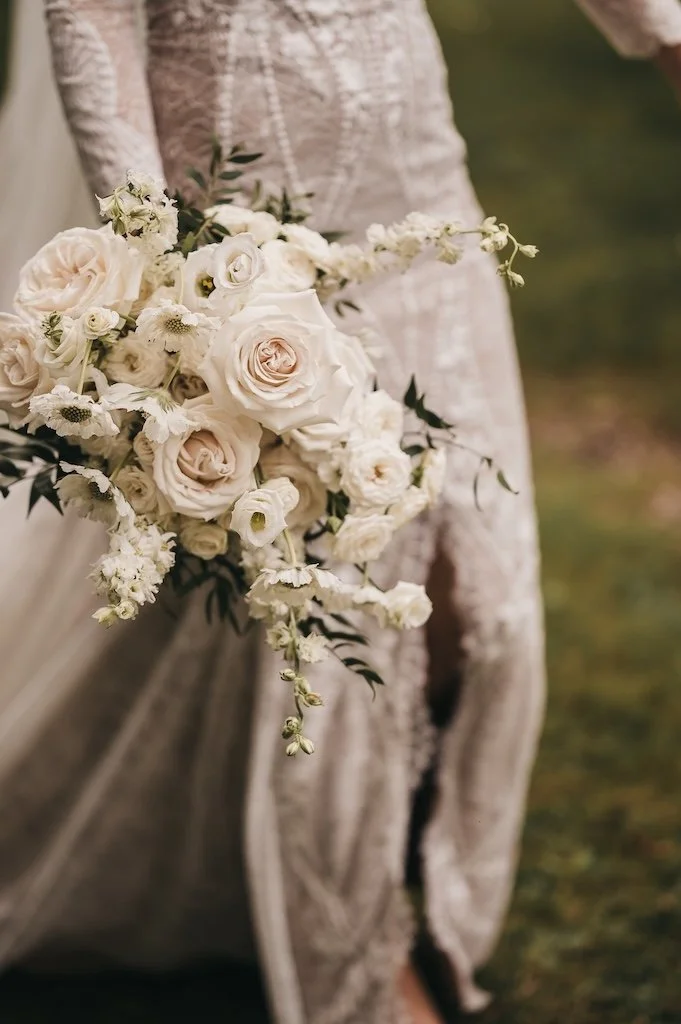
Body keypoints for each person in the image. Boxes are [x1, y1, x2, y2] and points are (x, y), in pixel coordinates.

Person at [0, 2, 679, 1022]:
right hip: (245, 247)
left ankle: (409, 886)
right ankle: (367, 955)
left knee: (483, 603)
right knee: (348, 618)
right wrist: (163, 273)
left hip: (416, 195)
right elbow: (93, 19)